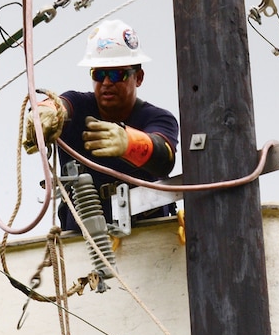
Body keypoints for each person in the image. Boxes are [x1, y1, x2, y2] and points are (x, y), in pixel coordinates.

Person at [26, 19, 179, 231]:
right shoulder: (79, 107)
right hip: (83, 241)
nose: (106, 82)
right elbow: (60, 104)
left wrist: (129, 143)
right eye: (99, 74)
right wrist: (45, 112)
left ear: (139, 77)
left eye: (117, 74)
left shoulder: (158, 119)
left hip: (147, 237)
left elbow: (164, 157)